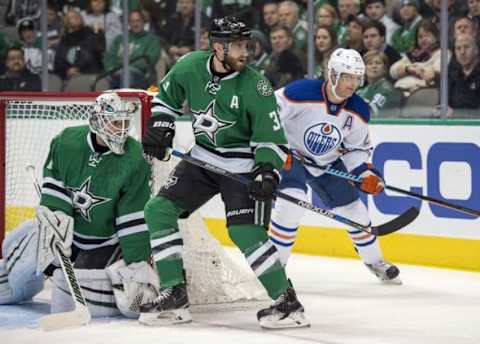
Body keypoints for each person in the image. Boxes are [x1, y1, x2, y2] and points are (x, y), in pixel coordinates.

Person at [139, 16, 309, 329]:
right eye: (238, 45)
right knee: (158, 209)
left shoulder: (256, 84)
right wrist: (160, 124)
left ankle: (286, 302)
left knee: (245, 231)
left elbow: (271, 136)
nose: (245, 51)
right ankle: (174, 292)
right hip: (202, 160)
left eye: (247, 44)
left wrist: (267, 170)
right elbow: (166, 98)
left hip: (242, 166)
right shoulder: (189, 65)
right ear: (217, 48)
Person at [0, 92, 159, 319]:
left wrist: (136, 262)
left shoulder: (134, 158)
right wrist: (56, 219)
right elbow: (55, 188)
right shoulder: (67, 141)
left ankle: (78, 280)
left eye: (125, 122)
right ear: (97, 121)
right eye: (115, 123)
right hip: (68, 236)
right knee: (32, 242)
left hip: (103, 245)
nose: (122, 129)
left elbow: (131, 217)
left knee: (67, 293)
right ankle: (18, 281)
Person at [269, 48, 402, 284]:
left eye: (357, 78)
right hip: (292, 156)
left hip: (327, 162)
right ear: (332, 74)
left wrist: (366, 174)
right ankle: (274, 272)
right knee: (291, 204)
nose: (353, 84)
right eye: (348, 77)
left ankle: (375, 261)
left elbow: (355, 150)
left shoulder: (359, 109)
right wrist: (276, 148)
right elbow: (267, 115)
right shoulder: (299, 92)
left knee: (355, 210)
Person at [357, 51, 402, 117]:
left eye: (378, 63)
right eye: (370, 63)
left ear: (385, 69)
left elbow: (371, 113)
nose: (374, 66)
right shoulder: (360, 91)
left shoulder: (387, 89)